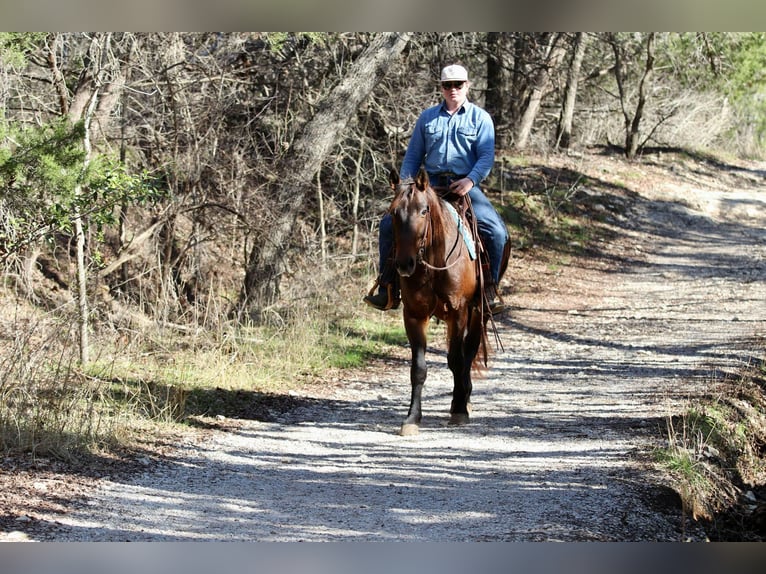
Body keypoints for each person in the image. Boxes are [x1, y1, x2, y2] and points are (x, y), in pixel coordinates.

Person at [364, 64, 509, 314]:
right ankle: (388, 287)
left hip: (464, 184)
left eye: (458, 84)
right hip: (428, 186)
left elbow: (485, 158)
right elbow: (412, 156)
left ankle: (489, 290)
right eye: (447, 85)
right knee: (389, 224)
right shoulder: (427, 117)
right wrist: (406, 187)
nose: (453, 89)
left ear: (467, 85)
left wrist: (470, 181)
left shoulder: (480, 118)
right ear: (441, 87)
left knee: (496, 232)